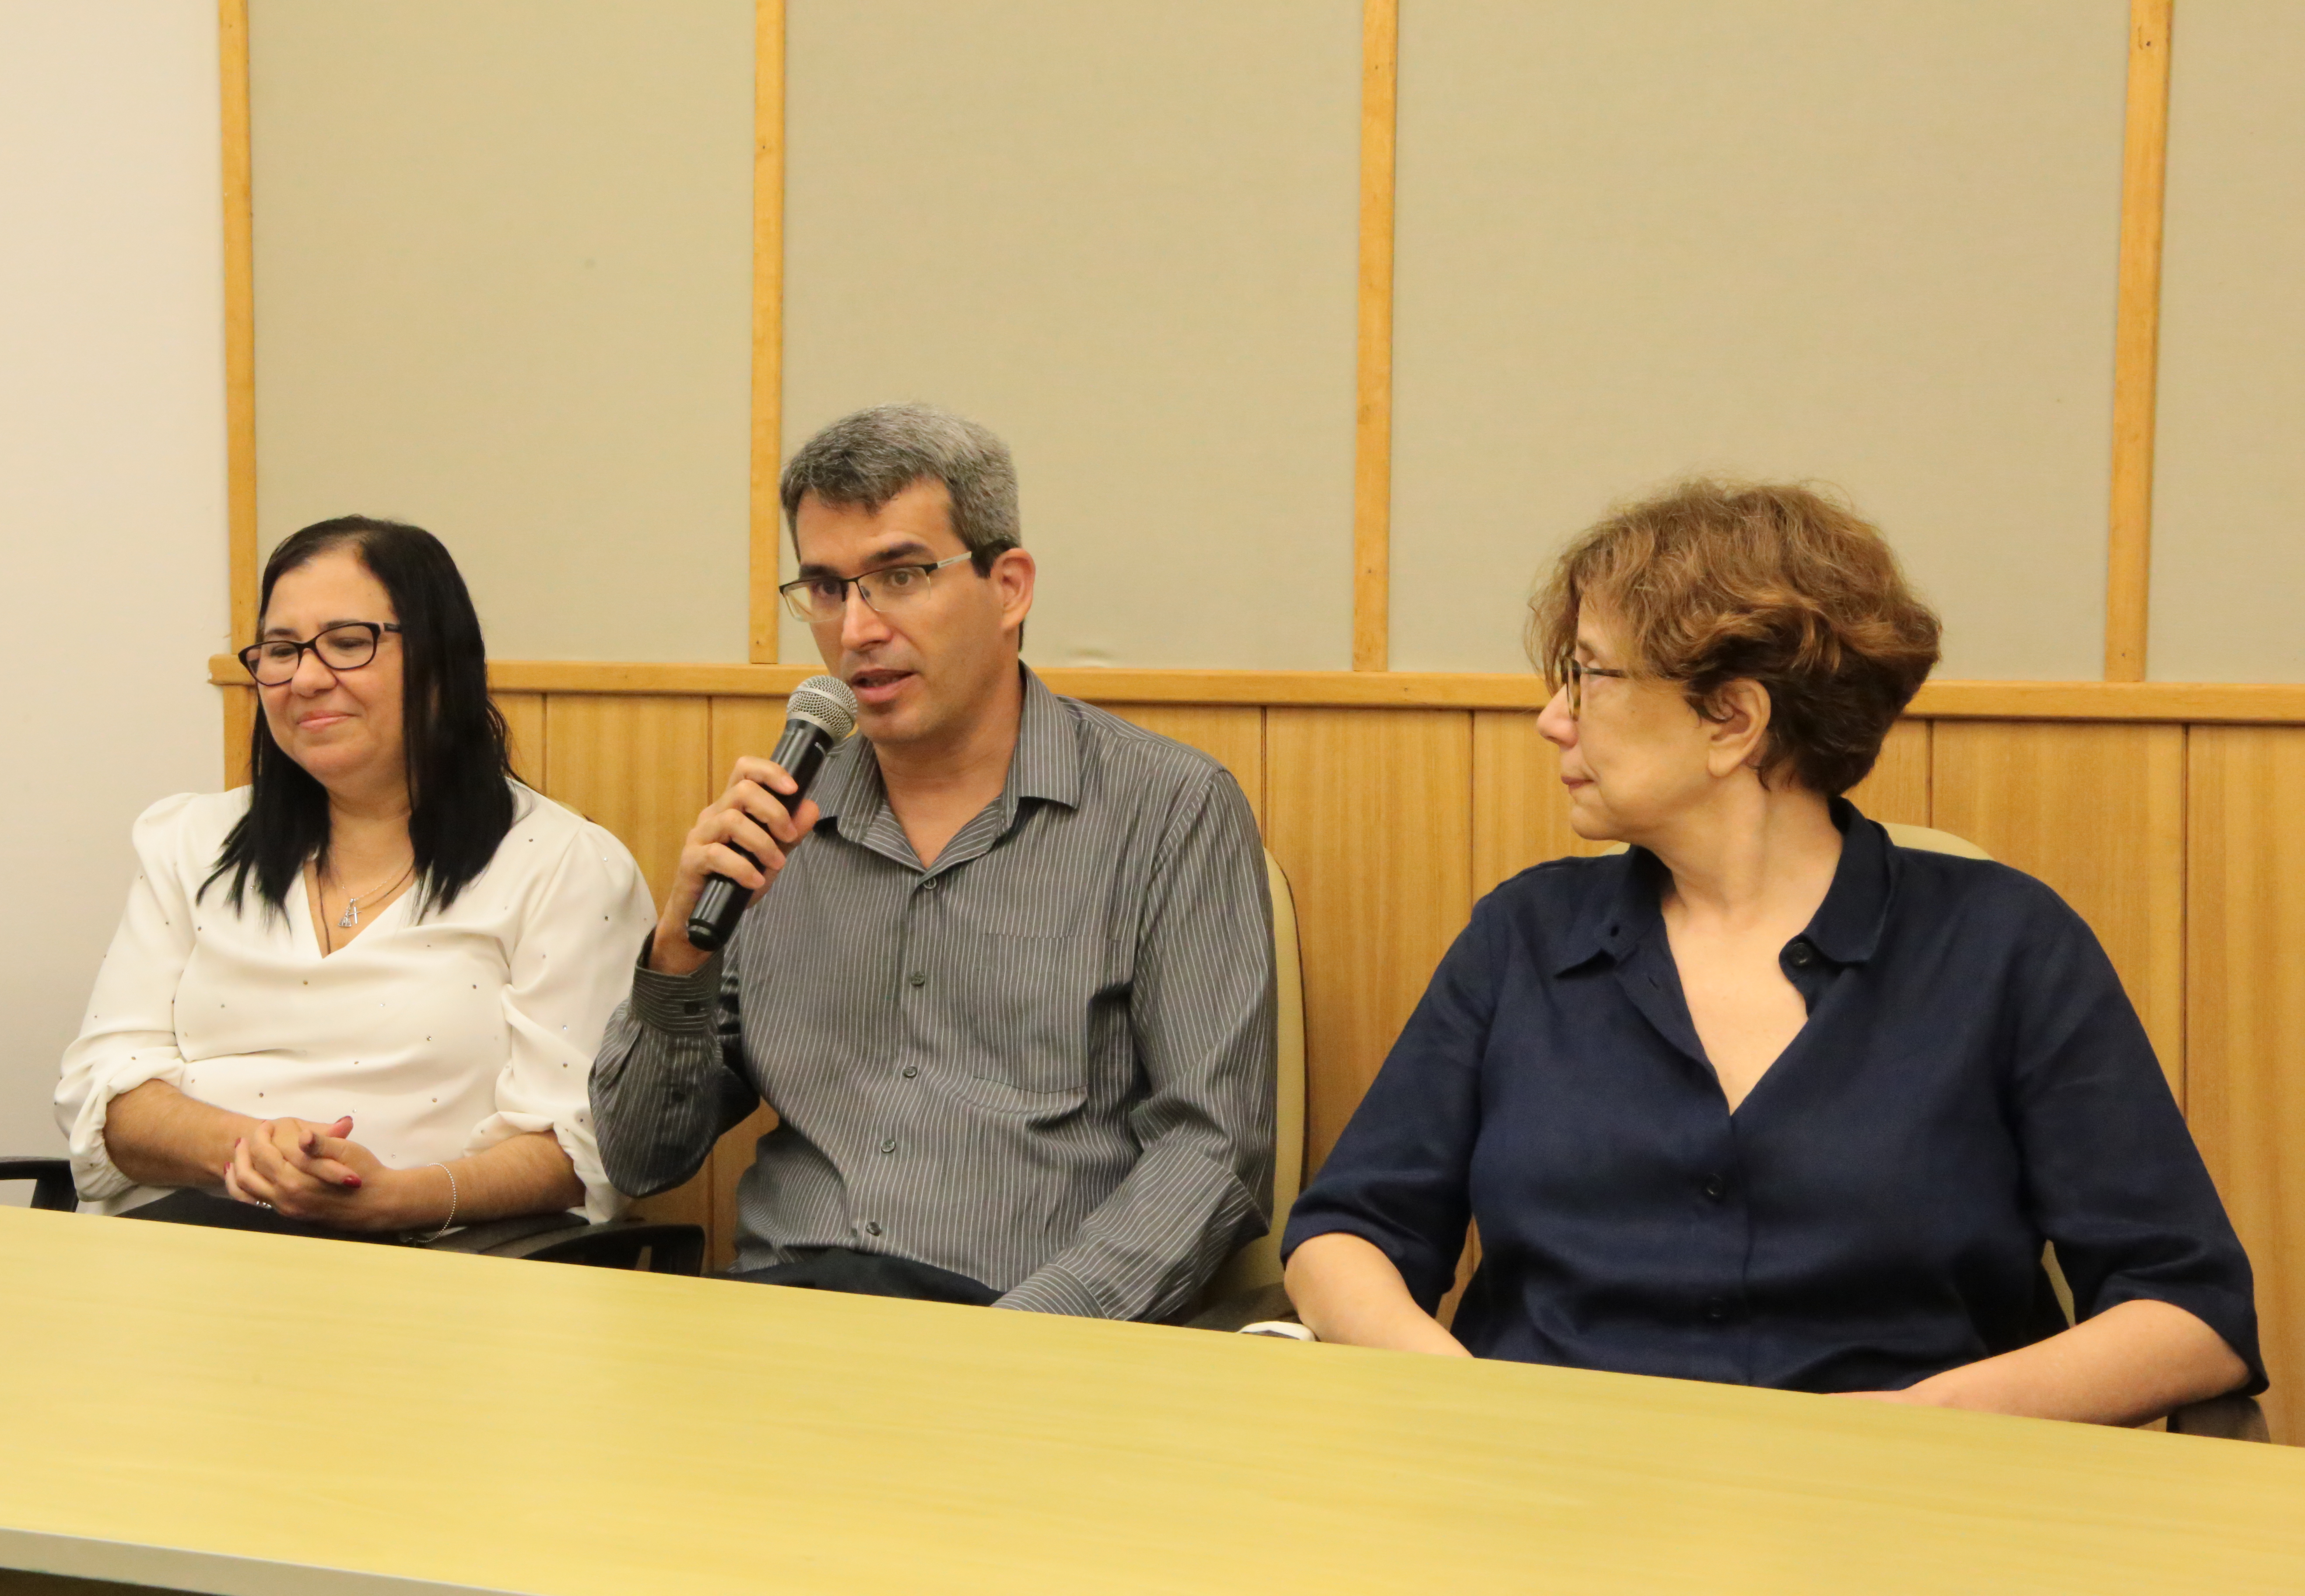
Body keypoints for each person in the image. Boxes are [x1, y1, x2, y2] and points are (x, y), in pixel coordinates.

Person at [1282, 480, 2263, 1424]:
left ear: (1733, 722)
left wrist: (1931, 1421)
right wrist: (1465, 1400)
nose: (1554, 716)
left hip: (1909, 1517)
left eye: (1591, 675)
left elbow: (2189, 1314)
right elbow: (1347, 1236)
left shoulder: (2008, 947)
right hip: (1547, 1502)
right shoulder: (1523, 937)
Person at [590, 402, 1274, 1318]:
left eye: (902, 576)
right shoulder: (779, 822)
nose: (859, 629)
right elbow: (641, 1156)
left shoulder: (1168, 812)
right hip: (784, 1324)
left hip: (1030, 1334)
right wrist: (678, 953)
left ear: (1011, 587)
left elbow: (1213, 1152)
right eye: (827, 589)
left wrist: (1030, 1334)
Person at [56, 517, 656, 1237]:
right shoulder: (191, 842)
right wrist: (253, 1150)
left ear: (441, 662)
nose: (306, 678)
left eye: (348, 643)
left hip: (432, 1265)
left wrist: (393, 1198)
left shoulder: (563, 867)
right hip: (178, 1247)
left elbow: (576, 1147)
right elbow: (106, 1095)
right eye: (281, 651)